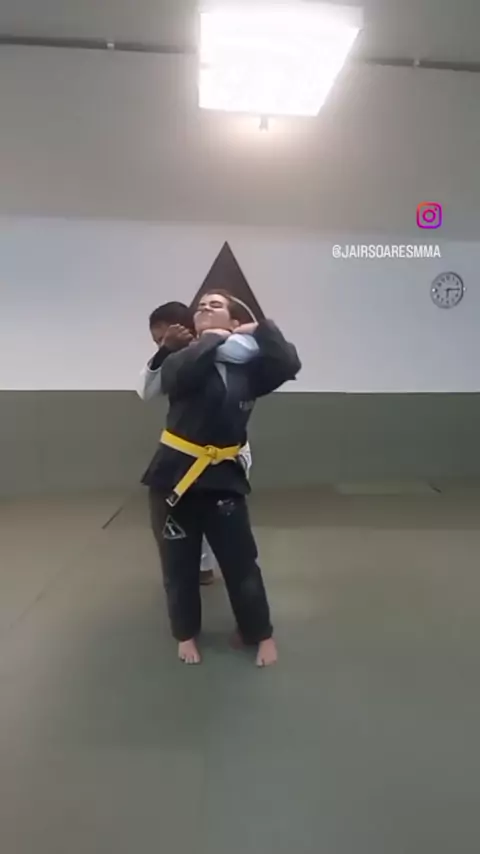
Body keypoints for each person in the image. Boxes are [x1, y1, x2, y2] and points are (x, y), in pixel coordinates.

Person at [142, 290, 301, 667]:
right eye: (201, 305)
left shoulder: (249, 371)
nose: (204, 307)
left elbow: (288, 363)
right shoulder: (183, 357)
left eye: (215, 305)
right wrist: (213, 337)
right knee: (178, 566)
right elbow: (177, 375)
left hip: (223, 478)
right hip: (174, 478)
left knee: (241, 562)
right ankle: (185, 633)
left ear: (234, 320)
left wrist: (260, 329)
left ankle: (259, 632)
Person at [138, 301, 255, 584]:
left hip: (228, 454)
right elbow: (146, 390)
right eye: (158, 341)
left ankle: (226, 569)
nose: (161, 345)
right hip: (186, 454)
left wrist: (218, 336)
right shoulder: (173, 361)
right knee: (185, 512)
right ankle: (198, 567)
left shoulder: (228, 348)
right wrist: (165, 351)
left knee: (222, 520)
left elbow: (253, 351)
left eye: (164, 338)